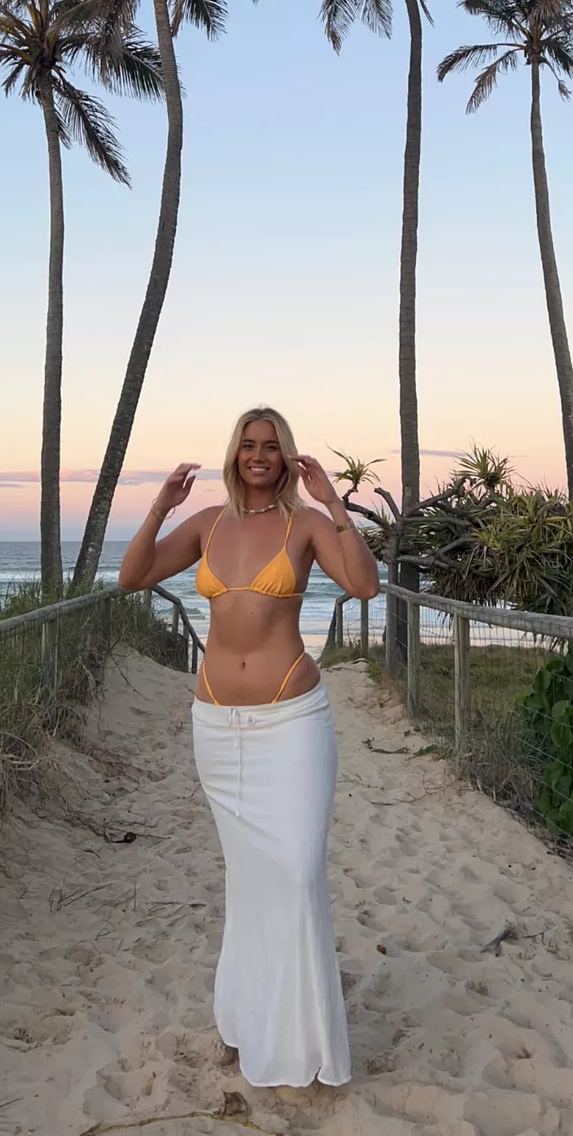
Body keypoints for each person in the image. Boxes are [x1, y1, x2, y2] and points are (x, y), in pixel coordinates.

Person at [118, 406, 381, 1089]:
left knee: (293, 873)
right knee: (249, 880)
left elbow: (363, 584)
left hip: (290, 723)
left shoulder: (307, 524)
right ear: (233, 453)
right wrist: (157, 506)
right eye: (248, 445)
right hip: (215, 729)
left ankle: (298, 1045)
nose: (258, 455)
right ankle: (246, 1018)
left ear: (286, 456)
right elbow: (132, 576)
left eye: (270, 446)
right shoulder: (207, 523)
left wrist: (333, 502)